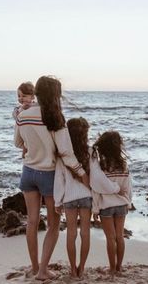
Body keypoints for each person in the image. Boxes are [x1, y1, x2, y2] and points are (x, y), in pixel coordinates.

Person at [14, 76, 89, 280]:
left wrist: (31, 146)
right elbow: (66, 152)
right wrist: (81, 173)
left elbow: (17, 142)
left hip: (28, 172)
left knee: (31, 222)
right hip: (48, 175)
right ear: (54, 95)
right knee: (53, 225)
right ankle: (42, 271)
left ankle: (34, 266)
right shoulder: (54, 118)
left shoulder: (23, 115)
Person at [54, 117, 92, 279]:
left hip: (69, 198)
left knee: (71, 234)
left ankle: (72, 269)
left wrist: (57, 200)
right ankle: (82, 268)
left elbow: (59, 180)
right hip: (86, 197)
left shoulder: (63, 155)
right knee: (85, 233)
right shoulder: (90, 152)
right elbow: (95, 177)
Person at [90, 131, 132, 277]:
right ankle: (119, 267)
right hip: (121, 205)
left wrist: (95, 209)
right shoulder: (124, 164)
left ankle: (112, 268)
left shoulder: (101, 165)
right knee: (120, 236)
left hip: (106, 206)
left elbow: (96, 189)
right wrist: (128, 202)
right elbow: (128, 187)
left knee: (110, 238)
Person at [13, 82, 35, 158]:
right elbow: (15, 116)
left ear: (32, 97)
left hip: (33, 131)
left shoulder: (35, 107)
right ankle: (25, 154)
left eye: (24, 96)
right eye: (19, 96)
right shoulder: (18, 108)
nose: (21, 98)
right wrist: (22, 109)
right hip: (24, 132)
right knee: (25, 144)